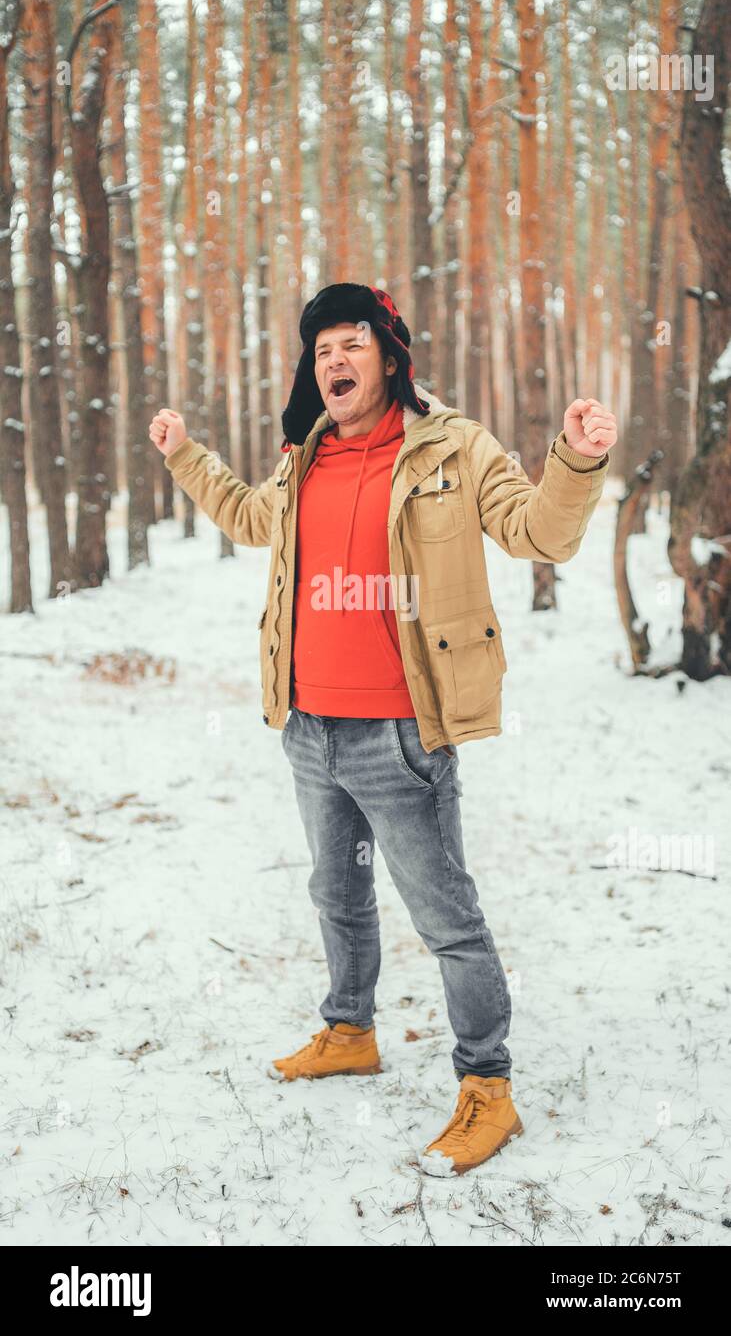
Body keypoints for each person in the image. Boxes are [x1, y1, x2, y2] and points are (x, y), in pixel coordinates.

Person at [149, 282, 617, 1178]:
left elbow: (536, 535)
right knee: (336, 894)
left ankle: (487, 1086)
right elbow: (254, 519)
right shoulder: (307, 456)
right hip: (308, 722)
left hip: (401, 733)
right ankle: (349, 1030)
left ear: (391, 358)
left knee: (446, 918)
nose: (334, 361)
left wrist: (575, 460)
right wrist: (186, 457)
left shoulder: (450, 449)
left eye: (352, 344)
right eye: (321, 348)